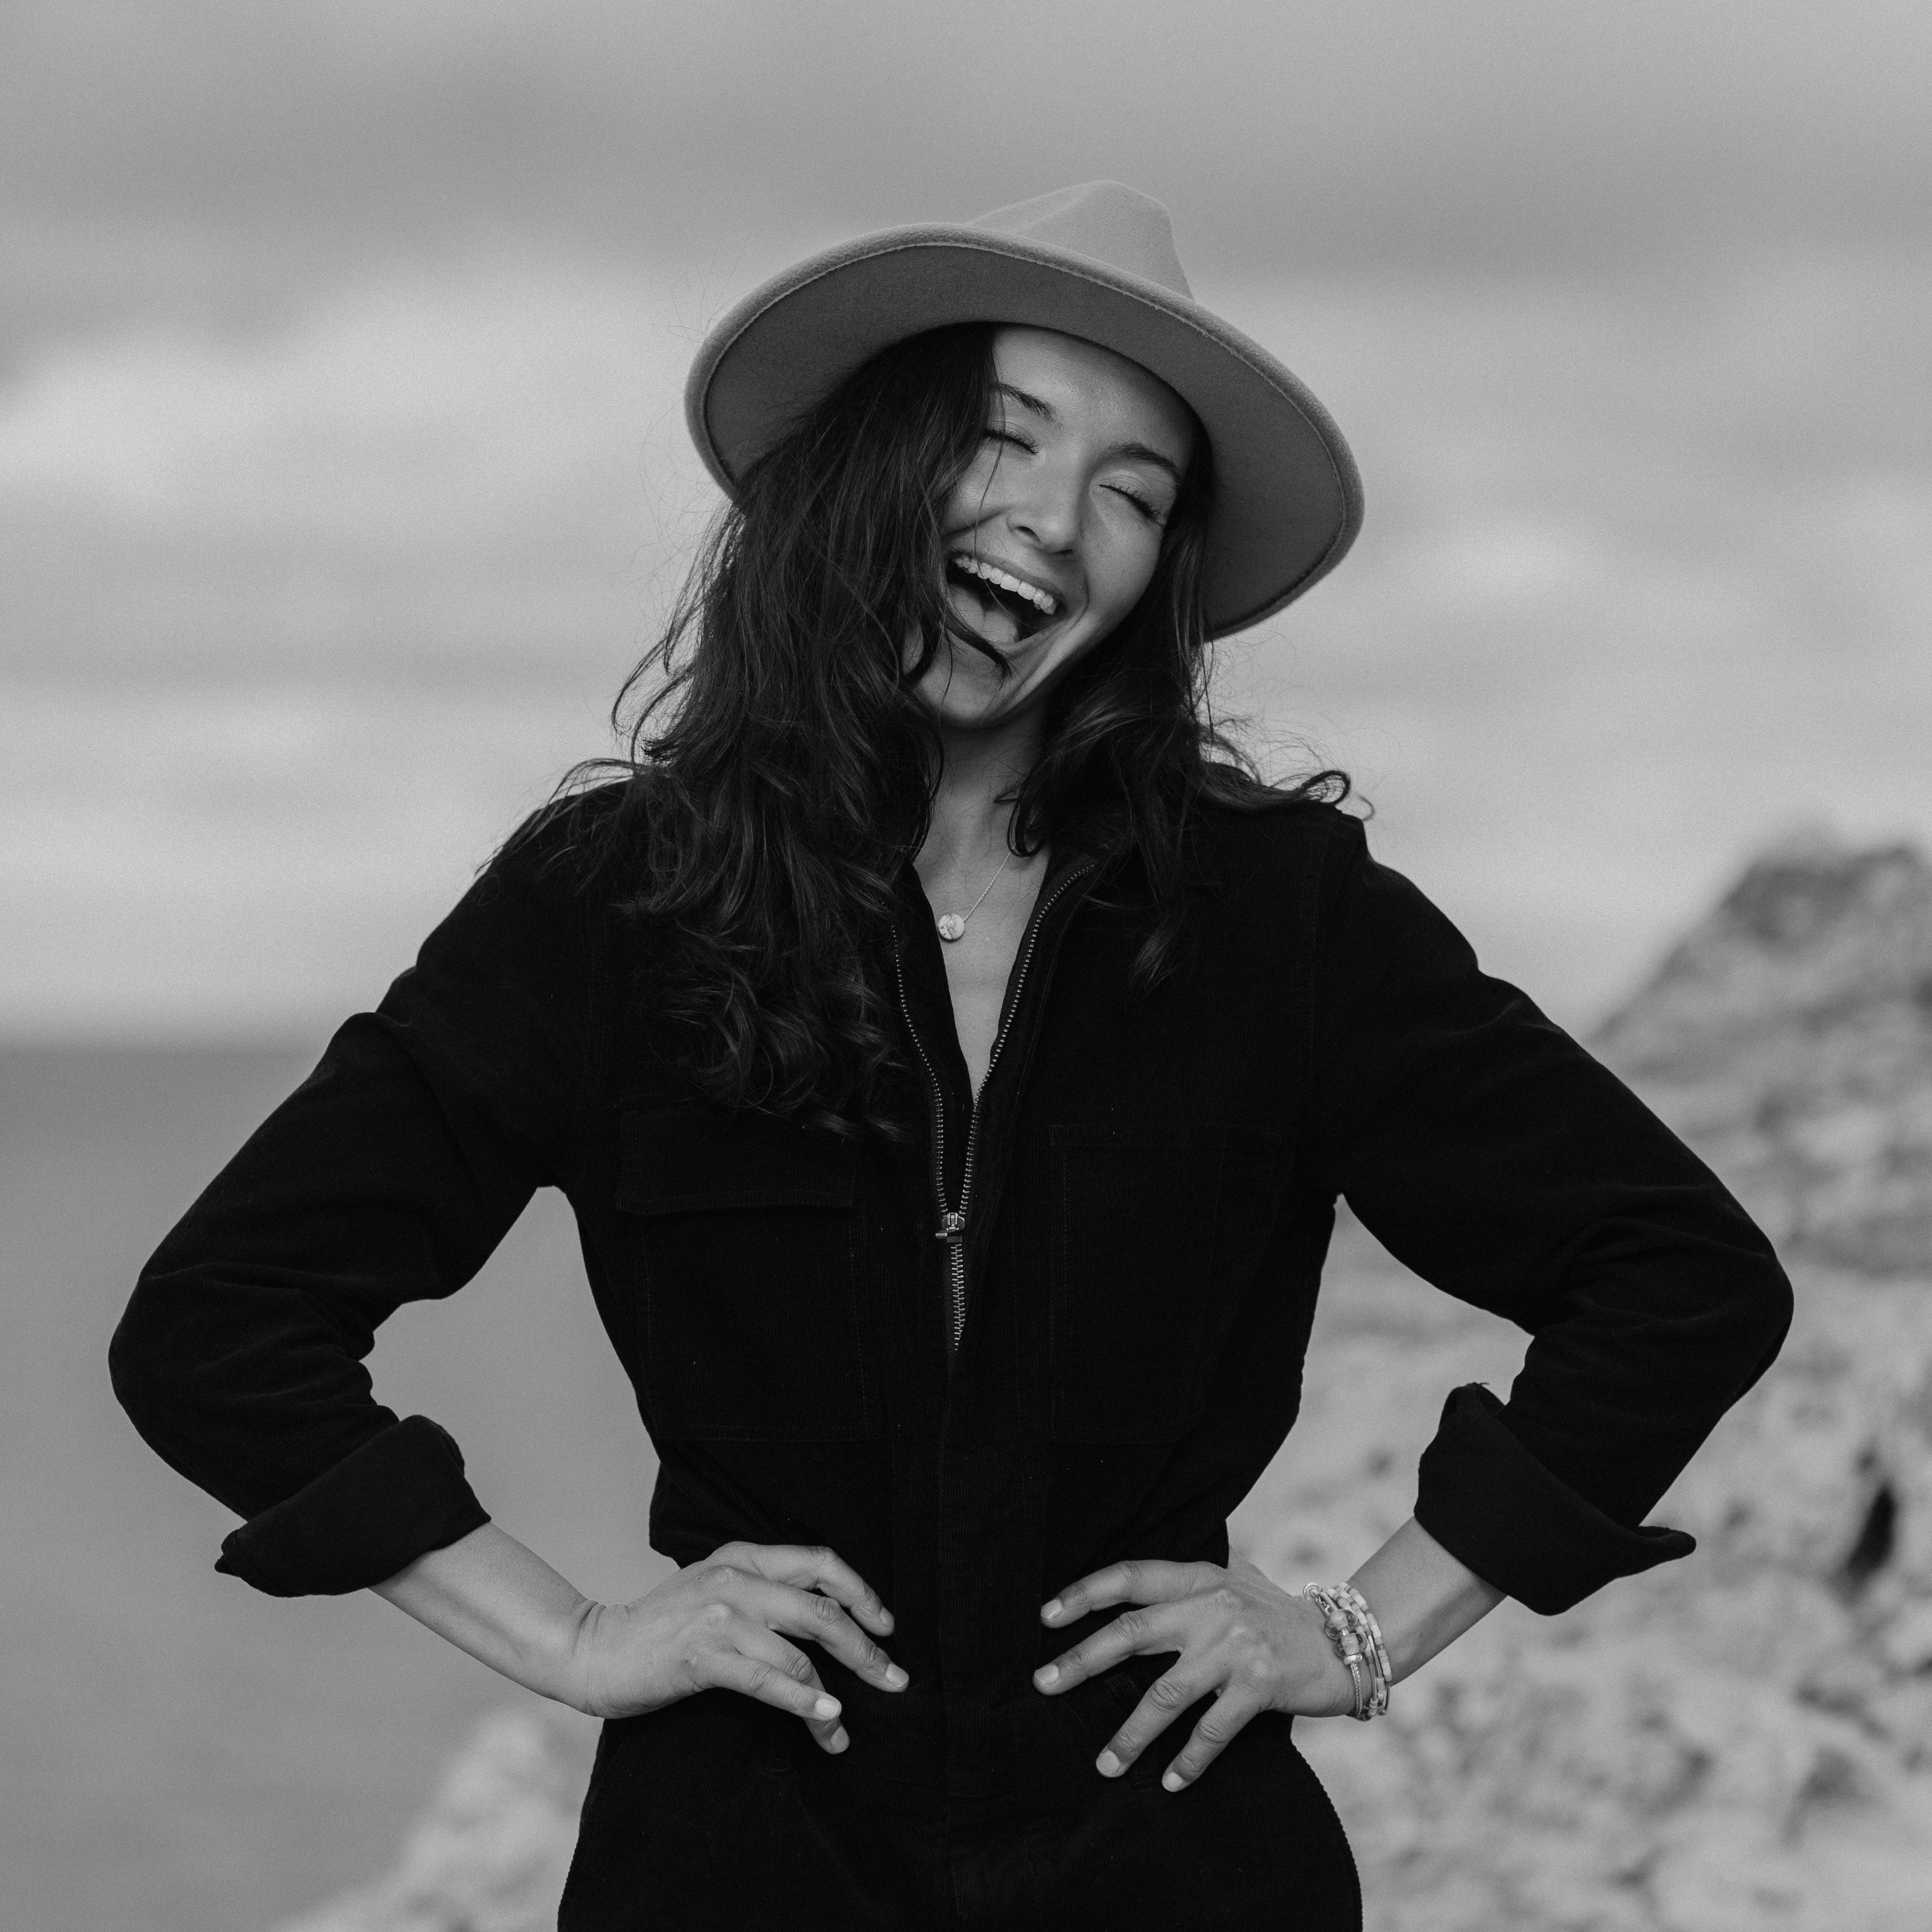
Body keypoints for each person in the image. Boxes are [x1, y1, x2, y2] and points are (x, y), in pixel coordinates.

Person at [111, 183, 1793, 1929]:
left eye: (1134, 493)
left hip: (1176, 1874)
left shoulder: (1279, 915)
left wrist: (1360, 1634)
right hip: (734, 1870)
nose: (1058, 524)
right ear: (876, 468)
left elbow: (1676, 1278)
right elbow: (221, 1323)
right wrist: (579, 1639)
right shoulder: (615, 904)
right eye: (1006, 435)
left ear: (1160, 576)